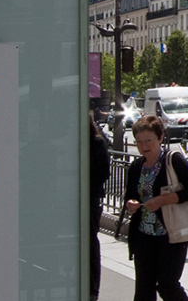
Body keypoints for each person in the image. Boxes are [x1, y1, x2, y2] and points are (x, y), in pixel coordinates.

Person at [124, 115, 188, 301]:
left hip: (170, 234)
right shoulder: (136, 167)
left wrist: (164, 200)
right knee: (143, 289)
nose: (144, 146)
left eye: (149, 141)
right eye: (139, 142)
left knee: (167, 285)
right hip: (144, 235)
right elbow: (129, 196)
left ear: (160, 138)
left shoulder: (173, 160)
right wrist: (131, 204)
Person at [89, 117, 111, 301]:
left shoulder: (96, 143)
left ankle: (92, 288)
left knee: (90, 241)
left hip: (90, 199)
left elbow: (104, 172)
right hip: (90, 197)